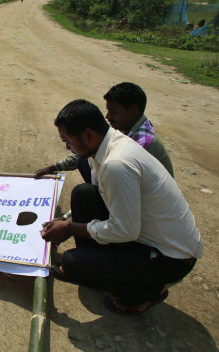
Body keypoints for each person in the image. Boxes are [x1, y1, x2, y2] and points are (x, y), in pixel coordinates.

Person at [40, 100, 203, 316]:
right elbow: (105, 202)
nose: (67, 147)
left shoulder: (117, 164)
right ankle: (96, 261)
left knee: (71, 262)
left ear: (88, 135)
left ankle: (149, 291)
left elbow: (126, 230)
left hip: (170, 257)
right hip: (143, 234)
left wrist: (70, 229)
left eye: (68, 141)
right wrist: (69, 223)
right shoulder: (106, 145)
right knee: (83, 193)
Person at [35, 82, 174, 182]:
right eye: (107, 111)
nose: (107, 117)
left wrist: (69, 220)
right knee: (85, 158)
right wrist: (54, 167)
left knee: (84, 190)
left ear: (133, 110)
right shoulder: (129, 129)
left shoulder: (139, 144)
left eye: (113, 111)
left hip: (145, 205)